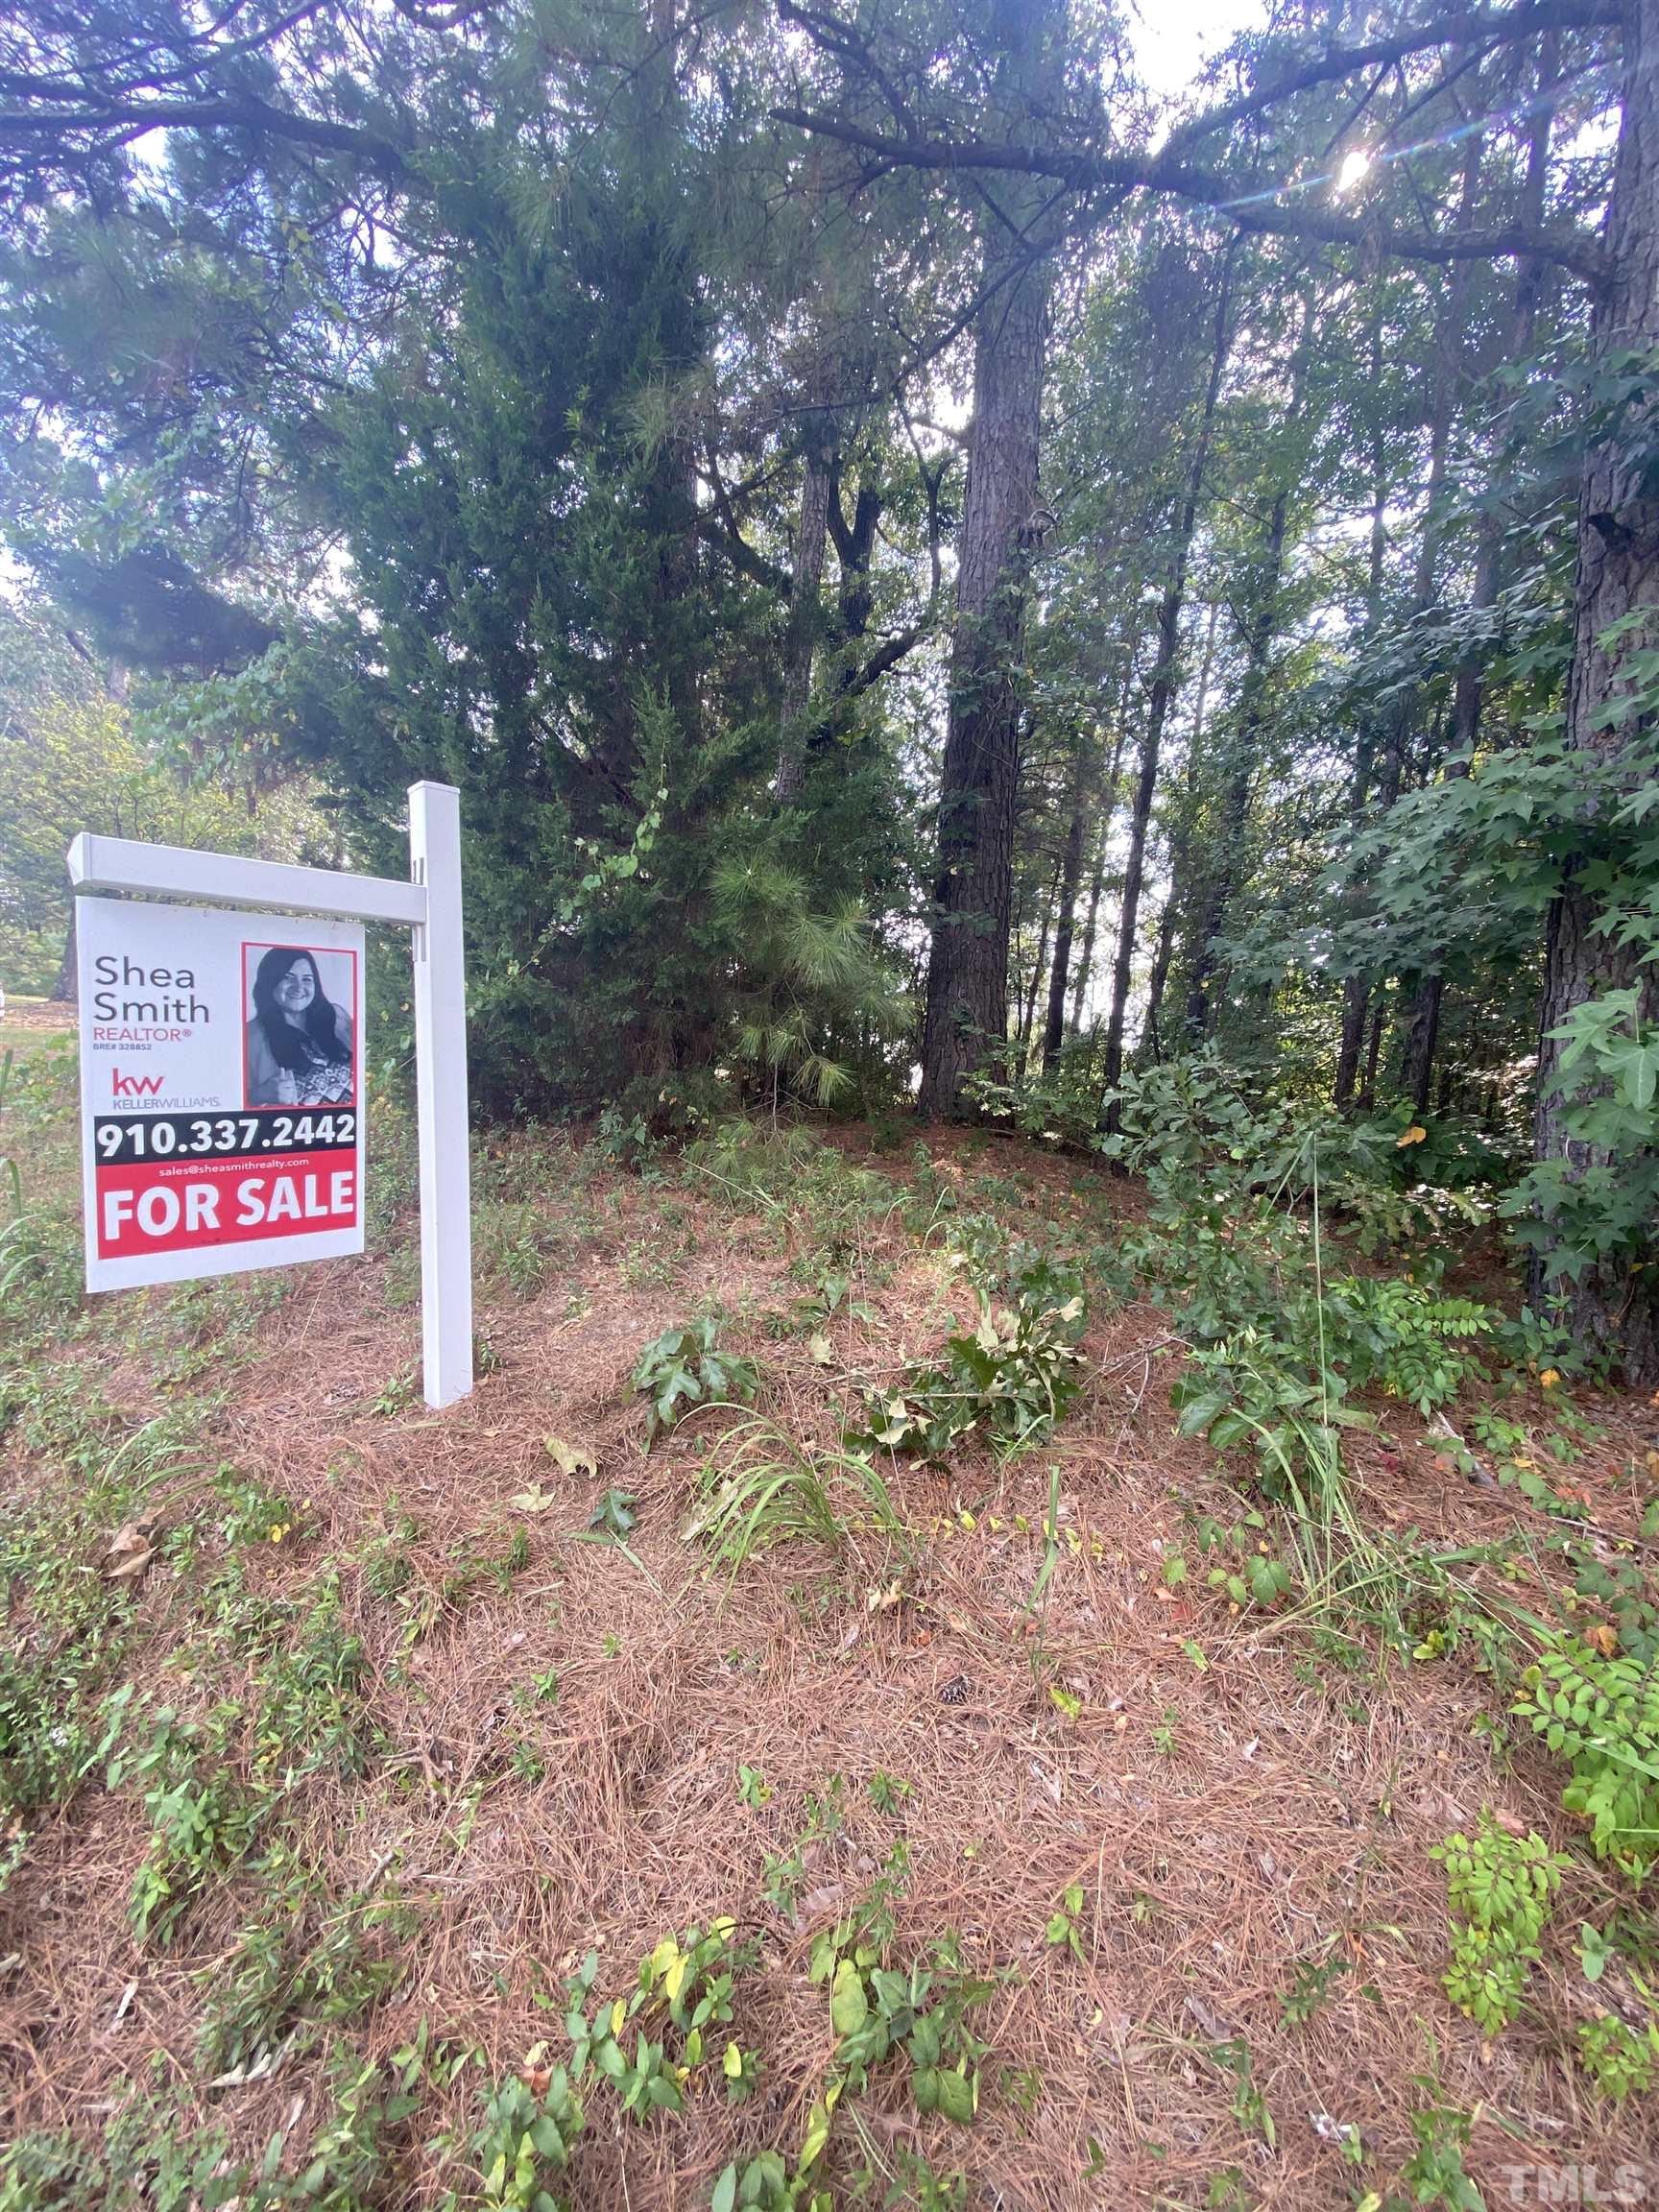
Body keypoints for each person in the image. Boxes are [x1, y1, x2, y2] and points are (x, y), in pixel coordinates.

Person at [246, 948, 354, 1107]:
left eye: (307, 979)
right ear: (270, 981)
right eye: (288, 978)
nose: (299, 987)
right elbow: (226, 1098)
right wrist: (257, 1095)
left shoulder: (337, 1017)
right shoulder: (250, 1037)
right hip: (299, 1129)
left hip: (349, 1126)